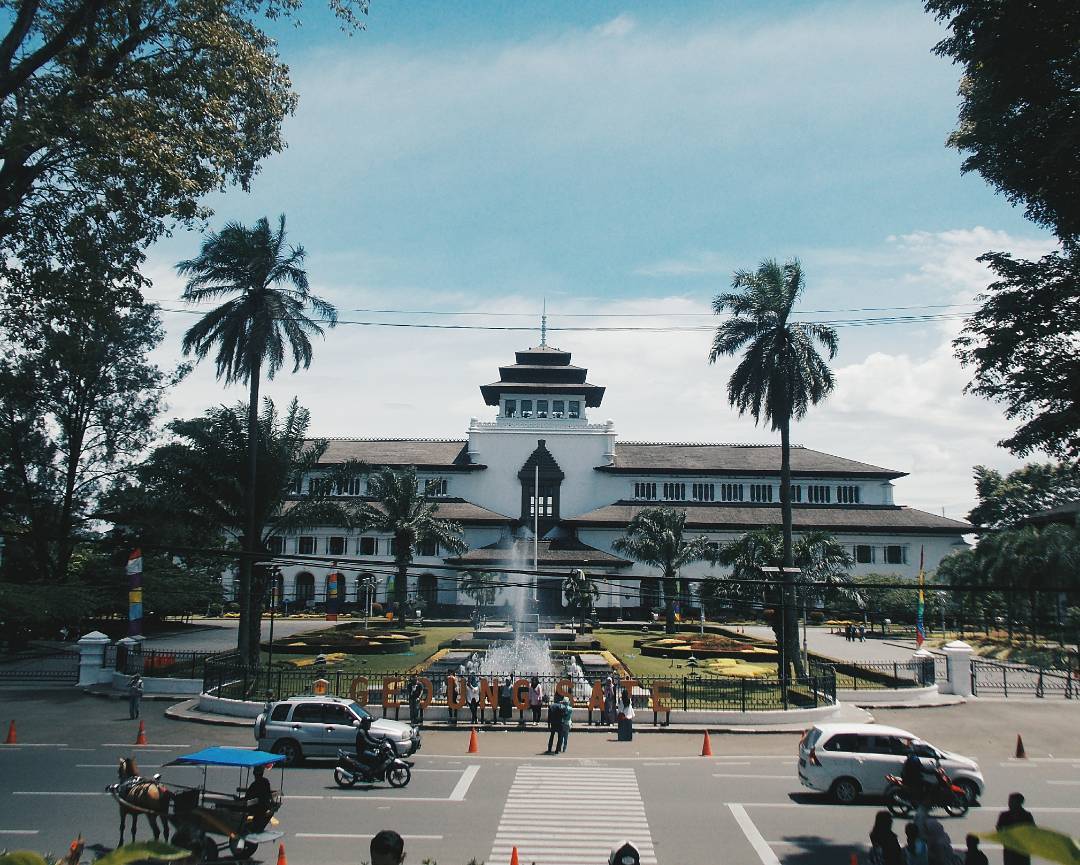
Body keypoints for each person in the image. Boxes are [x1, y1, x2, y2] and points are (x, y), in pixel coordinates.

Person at [996, 792, 1035, 865]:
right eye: (1009, 801)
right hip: (1010, 850)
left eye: (1012, 801)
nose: (1009, 804)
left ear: (1019, 803)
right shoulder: (1004, 815)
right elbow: (999, 829)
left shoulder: (1026, 815)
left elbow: (1033, 831)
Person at [242, 765, 273, 830]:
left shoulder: (255, 784)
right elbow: (269, 793)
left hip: (258, 807)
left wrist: (239, 800)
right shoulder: (265, 781)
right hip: (265, 806)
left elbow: (247, 797)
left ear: (255, 774)